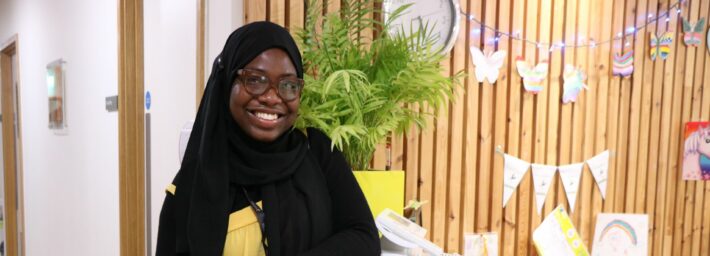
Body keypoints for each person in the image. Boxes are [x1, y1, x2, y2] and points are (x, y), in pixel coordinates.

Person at [156, 21, 380, 256]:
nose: (272, 98)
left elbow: (363, 238)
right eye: (255, 80)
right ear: (227, 83)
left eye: (288, 85)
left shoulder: (317, 152)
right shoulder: (191, 188)